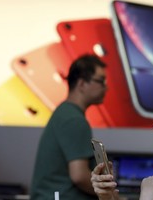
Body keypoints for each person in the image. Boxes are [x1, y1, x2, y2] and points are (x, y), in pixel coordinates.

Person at [31, 55, 107, 200]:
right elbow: (79, 176)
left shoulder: (65, 113)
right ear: (82, 84)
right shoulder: (74, 120)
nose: (106, 86)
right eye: (101, 81)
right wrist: (109, 194)